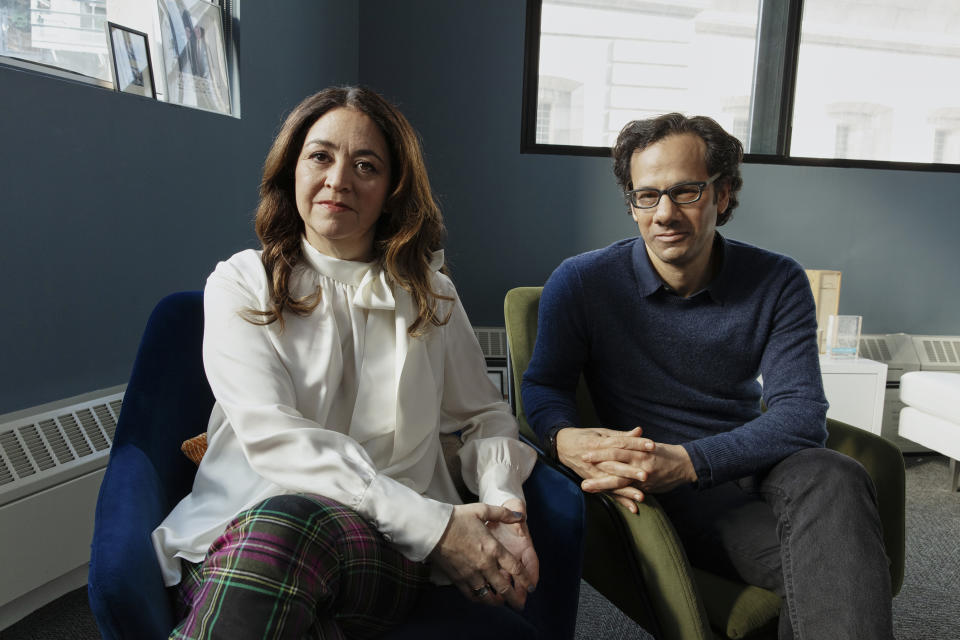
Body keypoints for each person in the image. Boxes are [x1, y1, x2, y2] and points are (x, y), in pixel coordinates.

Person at [152, 86, 539, 639]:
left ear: (392, 190)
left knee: (292, 528)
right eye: (320, 156)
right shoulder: (240, 281)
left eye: (366, 165)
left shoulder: (433, 294)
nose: (338, 180)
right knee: (282, 532)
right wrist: (436, 526)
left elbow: (486, 416)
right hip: (239, 531)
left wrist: (505, 506)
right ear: (291, 170)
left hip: (381, 550)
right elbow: (273, 435)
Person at [522, 113, 893, 639]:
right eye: (646, 196)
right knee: (835, 563)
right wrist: (561, 438)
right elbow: (544, 385)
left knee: (836, 473)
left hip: (751, 463)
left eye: (686, 192)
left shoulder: (777, 278)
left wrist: (692, 461)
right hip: (667, 493)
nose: (664, 214)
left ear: (724, 194)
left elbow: (801, 415)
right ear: (631, 204)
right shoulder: (582, 282)